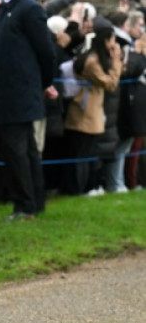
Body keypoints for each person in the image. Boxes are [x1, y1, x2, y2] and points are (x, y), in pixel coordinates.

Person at [0, 0, 55, 219]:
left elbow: (46, 51)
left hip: (21, 92)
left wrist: (44, 83)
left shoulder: (28, 8)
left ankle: (26, 205)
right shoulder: (4, 8)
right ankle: (33, 202)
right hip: (8, 91)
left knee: (20, 151)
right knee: (25, 149)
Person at [60, 17, 121, 195]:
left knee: (85, 152)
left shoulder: (95, 58)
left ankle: (84, 187)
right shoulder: (91, 61)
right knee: (81, 153)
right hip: (86, 111)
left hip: (90, 110)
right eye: (112, 40)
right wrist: (116, 61)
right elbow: (110, 83)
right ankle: (78, 189)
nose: (114, 44)